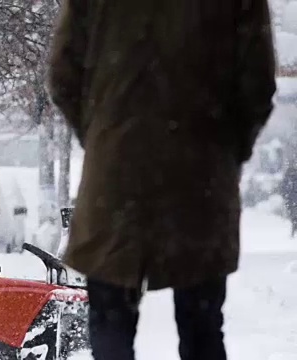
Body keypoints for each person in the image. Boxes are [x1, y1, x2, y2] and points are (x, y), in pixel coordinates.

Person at [46, 1, 276, 359]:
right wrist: (227, 152)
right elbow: (257, 85)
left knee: (111, 324)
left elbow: (63, 75)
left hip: (115, 180)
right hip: (201, 177)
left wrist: (102, 138)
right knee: (201, 325)